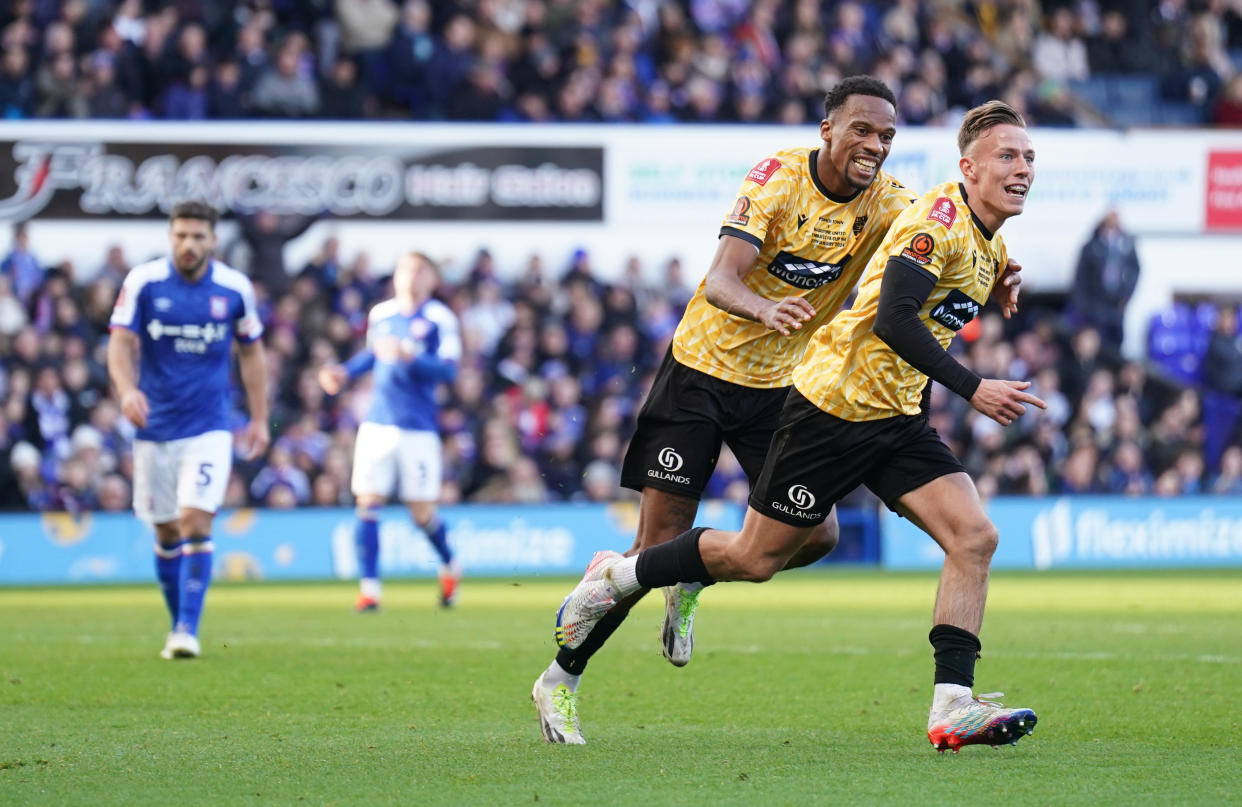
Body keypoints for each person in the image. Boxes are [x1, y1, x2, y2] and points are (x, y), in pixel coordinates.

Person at [531, 76, 1024, 745]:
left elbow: (938, 235)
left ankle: (695, 570)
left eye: (886, 135)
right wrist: (765, 308)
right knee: (656, 546)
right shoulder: (777, 180)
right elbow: (723, 276)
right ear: (828, 129)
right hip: (702, 374)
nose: (873, 145)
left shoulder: (891, 202)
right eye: (861, 129)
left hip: (785, 385)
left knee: (814, 537)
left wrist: (997, 265)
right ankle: (561, 678)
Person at [107, 200, 270, 660]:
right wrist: (125, 391)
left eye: (198, 236)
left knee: (195, 519)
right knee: (165, 533)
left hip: (209, 427)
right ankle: (179, 622)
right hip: (155, 428)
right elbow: (119, 344)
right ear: (170, 237)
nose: (189, 244)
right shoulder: (143, 282)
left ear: (213, 241)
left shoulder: (234, 289)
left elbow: (252, 354)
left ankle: (186, 628)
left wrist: (259, 417)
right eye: (181, 235)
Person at [318, 252, 462, 611]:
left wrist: (412, 357)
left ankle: (449, 565)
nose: (411, 277)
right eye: (405, 270)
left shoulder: (439, 318)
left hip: (418, 428)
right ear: (396, 276)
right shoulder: (380, 315)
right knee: (367, 502)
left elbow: (449, 371)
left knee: (421, 513)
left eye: (420, 271)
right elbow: (373, 355)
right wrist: (344, 373)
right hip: (377, 422)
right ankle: (370, 590)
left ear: (431, 279)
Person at [1066, 209, 1141, 356]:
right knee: (1095, 344)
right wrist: (1083, 306)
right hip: (1095, 306)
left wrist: (1126, 296)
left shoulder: (1126, 246)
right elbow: (1079, 279)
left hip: (1115, 304)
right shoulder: (1091, 247)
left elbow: (1136, 270)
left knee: (1116, 343)